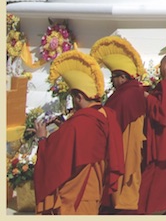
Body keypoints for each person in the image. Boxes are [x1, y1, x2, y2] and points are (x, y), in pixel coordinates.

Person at [34, 51, 119, 214]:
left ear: (79, 96)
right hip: (93, 192)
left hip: (74, 198)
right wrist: (65, 127)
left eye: (73, 97)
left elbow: (54, 158)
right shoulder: (106, 115)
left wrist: (42, 138)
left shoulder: (78, 123)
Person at [90, 37, 147, 213]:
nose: (113, 81)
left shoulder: (126, 94)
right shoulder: (134, 90)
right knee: (132, 169)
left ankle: (122, 202)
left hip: (124, 138)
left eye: (114, 77)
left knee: (124, 169)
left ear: (123, 77)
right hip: (131, 138)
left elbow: (112, 116)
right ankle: (126, 200)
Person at [136, 55, 166, 215]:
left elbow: (162, 114)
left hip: (164, 141)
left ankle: (151, 208)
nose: (159, 68)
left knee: (155, 178)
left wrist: (147, 97)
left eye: (161, 64)